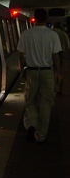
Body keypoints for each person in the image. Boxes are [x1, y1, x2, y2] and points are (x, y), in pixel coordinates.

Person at [17, 8, 62, 143]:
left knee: (30, 100)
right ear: (46, 18)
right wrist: (58, 72)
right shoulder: (52, 35)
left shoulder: (26, 34)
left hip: (32, 71)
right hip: (47, 72)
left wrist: (22, 69)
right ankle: (41, 136)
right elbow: (56, 56)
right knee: (46, 103)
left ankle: (31, 125)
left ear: (35, 18)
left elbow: (21, 55)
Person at [53, 22, 70, 94]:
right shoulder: (64, 34)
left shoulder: (50, 33)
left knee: (52, 71)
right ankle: (60, 89)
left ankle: (53, 88)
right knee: (59, 71)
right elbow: (68, 46)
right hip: (60, 53)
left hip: (51, 54)